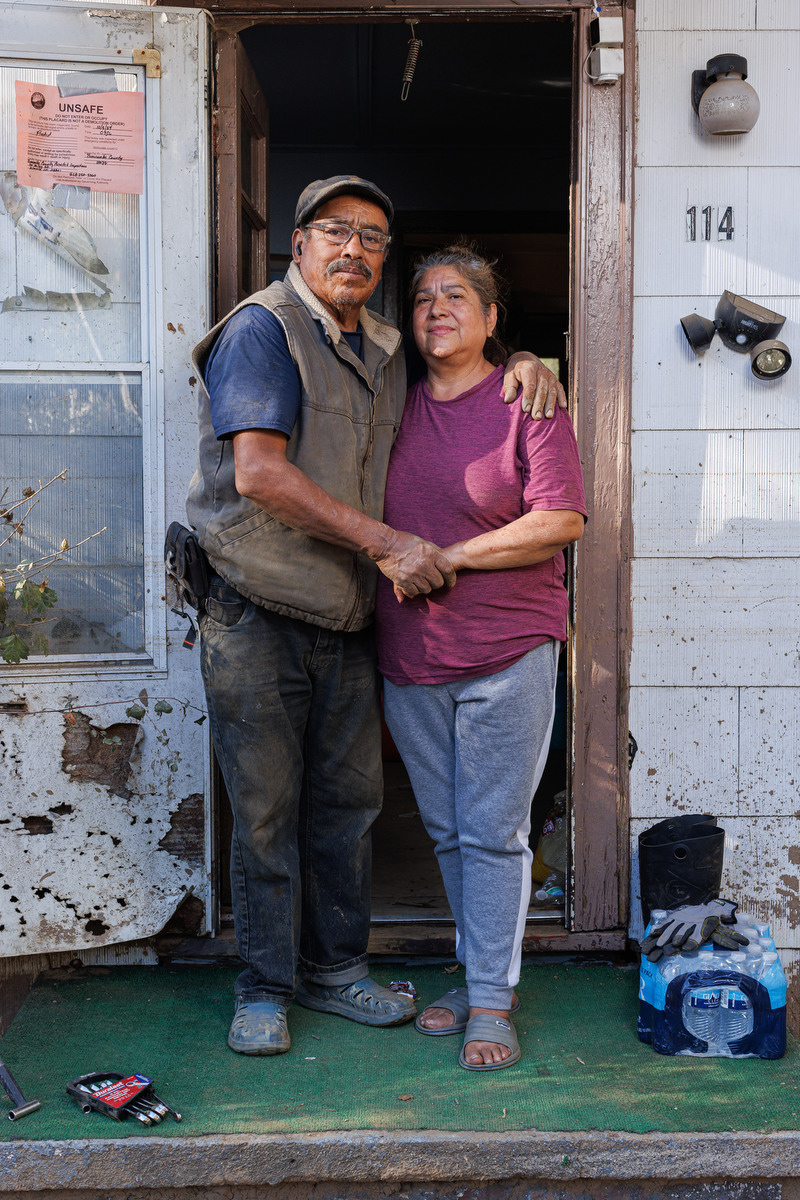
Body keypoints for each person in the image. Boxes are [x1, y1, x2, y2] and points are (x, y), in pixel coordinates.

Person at [186, 175, 566, 1057]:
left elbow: (460, 375)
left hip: (354, 619)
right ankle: (266, 987)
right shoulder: (261, 329)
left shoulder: (385, 351)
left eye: (371, 238)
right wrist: (393, 545)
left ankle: (339, 971)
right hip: (259, 609)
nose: (353, 249)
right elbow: (260, 475)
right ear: (299, 245)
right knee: (268, 811)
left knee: (350, 806)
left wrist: (517, 360)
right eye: (334, 232)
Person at [377, 245, 587, 1072]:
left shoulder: (526, 401)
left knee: (495, 832)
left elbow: (561, 519)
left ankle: (492, 1002)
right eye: (425, 297)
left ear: (493, 320)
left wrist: (450, 557)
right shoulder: (389, 407)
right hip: (411, 654)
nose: (438, 309)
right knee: (449, 831)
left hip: (508, 647)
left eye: (457, 295)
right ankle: (477, 975)